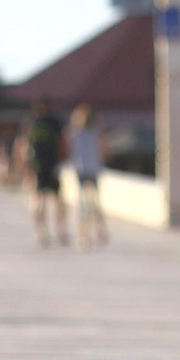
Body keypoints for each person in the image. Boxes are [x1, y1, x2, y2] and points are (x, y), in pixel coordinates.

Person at [16, 97, 69, 247]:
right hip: (52, 165)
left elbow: (24, 145)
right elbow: (63, 143)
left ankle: (42, 232)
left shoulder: (32, 122)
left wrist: (24, 166)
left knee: (38, 198)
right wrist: (62, 161)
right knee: (57, 199)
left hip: (37, 165)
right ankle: (60, 230)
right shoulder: (55, 122)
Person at [68, 103, 109, 250]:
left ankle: (83, 235)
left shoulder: (74, 133)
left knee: (83, 204)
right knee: (95, 202)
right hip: (93, 170)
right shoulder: (96, 133)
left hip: (81, 170)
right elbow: (104, 151)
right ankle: (100, 231)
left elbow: (70, 151)